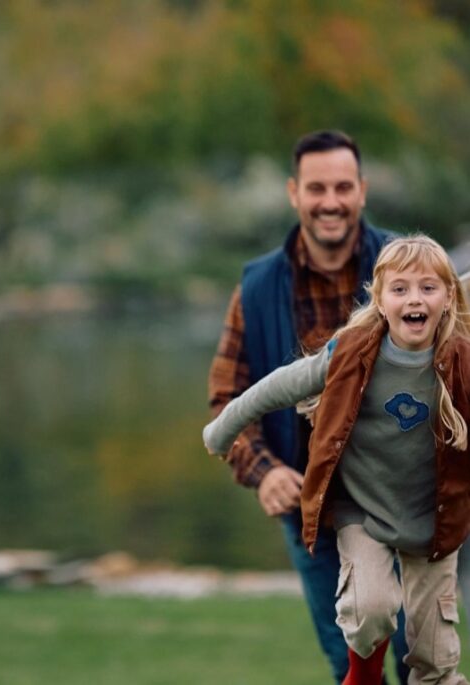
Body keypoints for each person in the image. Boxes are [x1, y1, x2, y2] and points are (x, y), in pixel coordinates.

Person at [205, 235, 470, 684]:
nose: (414, 299)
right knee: (370, 609)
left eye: (428, 288)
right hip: (363, 511)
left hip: (433, 519)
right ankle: (362, 675)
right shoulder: (349, 353)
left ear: (447, 298)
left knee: (434, 654)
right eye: (400, 289)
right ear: (380, 300)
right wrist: (222, 430)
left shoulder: (461, 359)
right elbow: (277, 387)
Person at [208, 129, 409, 683]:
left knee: (424, 659)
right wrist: (265, 471)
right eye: (317, 188)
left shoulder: (410, 269)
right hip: (312, 515)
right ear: (294, 192)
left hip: (405, 504)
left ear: (362, 190)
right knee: (350, 666)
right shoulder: (257, 288)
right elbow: (228, 399)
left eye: (343, 187)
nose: (330, 201)